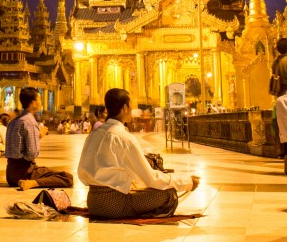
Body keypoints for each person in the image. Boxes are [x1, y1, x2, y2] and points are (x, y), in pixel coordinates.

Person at [78, 88, 199, 219]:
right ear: (125, 108)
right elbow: (152, 179)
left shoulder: (93, 134)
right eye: (131, 106)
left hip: (93, 202)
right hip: (114, 205)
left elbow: (83, 172)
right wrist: (186, 182)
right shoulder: (124, 138)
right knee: (168, 194)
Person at [5, 88, 73, 189]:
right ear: (33, 103)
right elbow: (32, 154)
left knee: (45, 171)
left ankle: (31, 181)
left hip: (10, 174)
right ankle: (32, 183)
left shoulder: (13, 122)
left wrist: (38, 136)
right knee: (67, 178)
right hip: (25, 172)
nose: (41, 103)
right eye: (39, 100)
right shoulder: (30, 122)